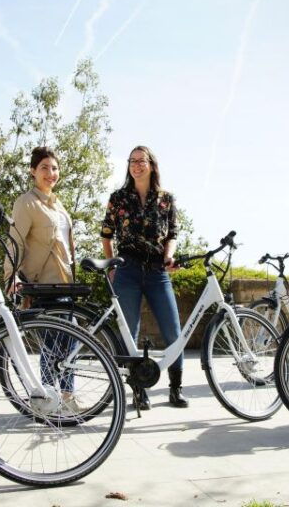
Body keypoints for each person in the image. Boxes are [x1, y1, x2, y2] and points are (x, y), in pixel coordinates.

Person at [101, 145, 186, 409]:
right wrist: (111, 266)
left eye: (141, 161)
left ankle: (175, 388)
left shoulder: (166, 199)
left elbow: (172, 234)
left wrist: (169, 255)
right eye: (132, 161)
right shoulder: (118, 198)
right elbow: (106, 235)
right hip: (127, 269)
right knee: (129, 333)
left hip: (157, 270)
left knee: (173, 331)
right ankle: (138, 390)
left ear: (151, 165)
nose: (136, 165)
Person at [4, 146, 82, 411]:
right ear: (33, 171)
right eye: (45, 168)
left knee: (70, 340)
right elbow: (15, 242)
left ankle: (66, 396)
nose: (51, 173)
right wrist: (11, 275)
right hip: (43, 284)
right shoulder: (26, 202)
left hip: (65, 283)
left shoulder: (58, 205)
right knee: (52, 343)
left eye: (55, 168)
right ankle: (47, 399)